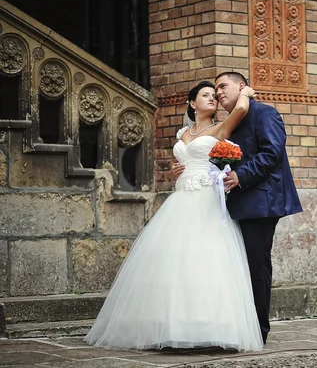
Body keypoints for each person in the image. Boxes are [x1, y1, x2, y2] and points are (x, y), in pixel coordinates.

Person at [84, 81, 264, 351]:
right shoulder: (183, 132)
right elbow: (184, 158)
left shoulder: (219, 128)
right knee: (174, 260)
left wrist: (246, 93)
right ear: (192, 103)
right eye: (206, 95)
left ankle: (210, 329)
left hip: (206, 199)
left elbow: (239, 109)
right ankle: (172, 326)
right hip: (181, 199)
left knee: (205, 258)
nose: (213, 99)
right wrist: (174, 168)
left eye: (215, 95)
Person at [171, 72, 303, 344]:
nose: (218, 93)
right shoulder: (232, 121)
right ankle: (231, 325)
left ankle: (258, 330)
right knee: (233, 268)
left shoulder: (264, 114)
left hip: (261, 203)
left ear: (241, 87)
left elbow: (272, 153)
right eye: (214, 90)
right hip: (232, 203)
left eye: (222, 87)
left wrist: (241, 176)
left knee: (256, 267)